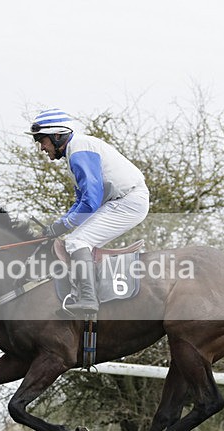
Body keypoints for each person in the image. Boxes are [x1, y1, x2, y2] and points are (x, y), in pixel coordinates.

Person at [27, 108, 150, 316]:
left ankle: (88, 299)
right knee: (75, 239)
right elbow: (81, 201)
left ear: (57, 136)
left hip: (128, 201)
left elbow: (91, 202)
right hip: (121, 200)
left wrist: (62, 225)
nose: (41, 148)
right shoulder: (76, 152)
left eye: (42, 140)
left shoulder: (79, 151)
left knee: (77, 242)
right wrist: (59, 224)